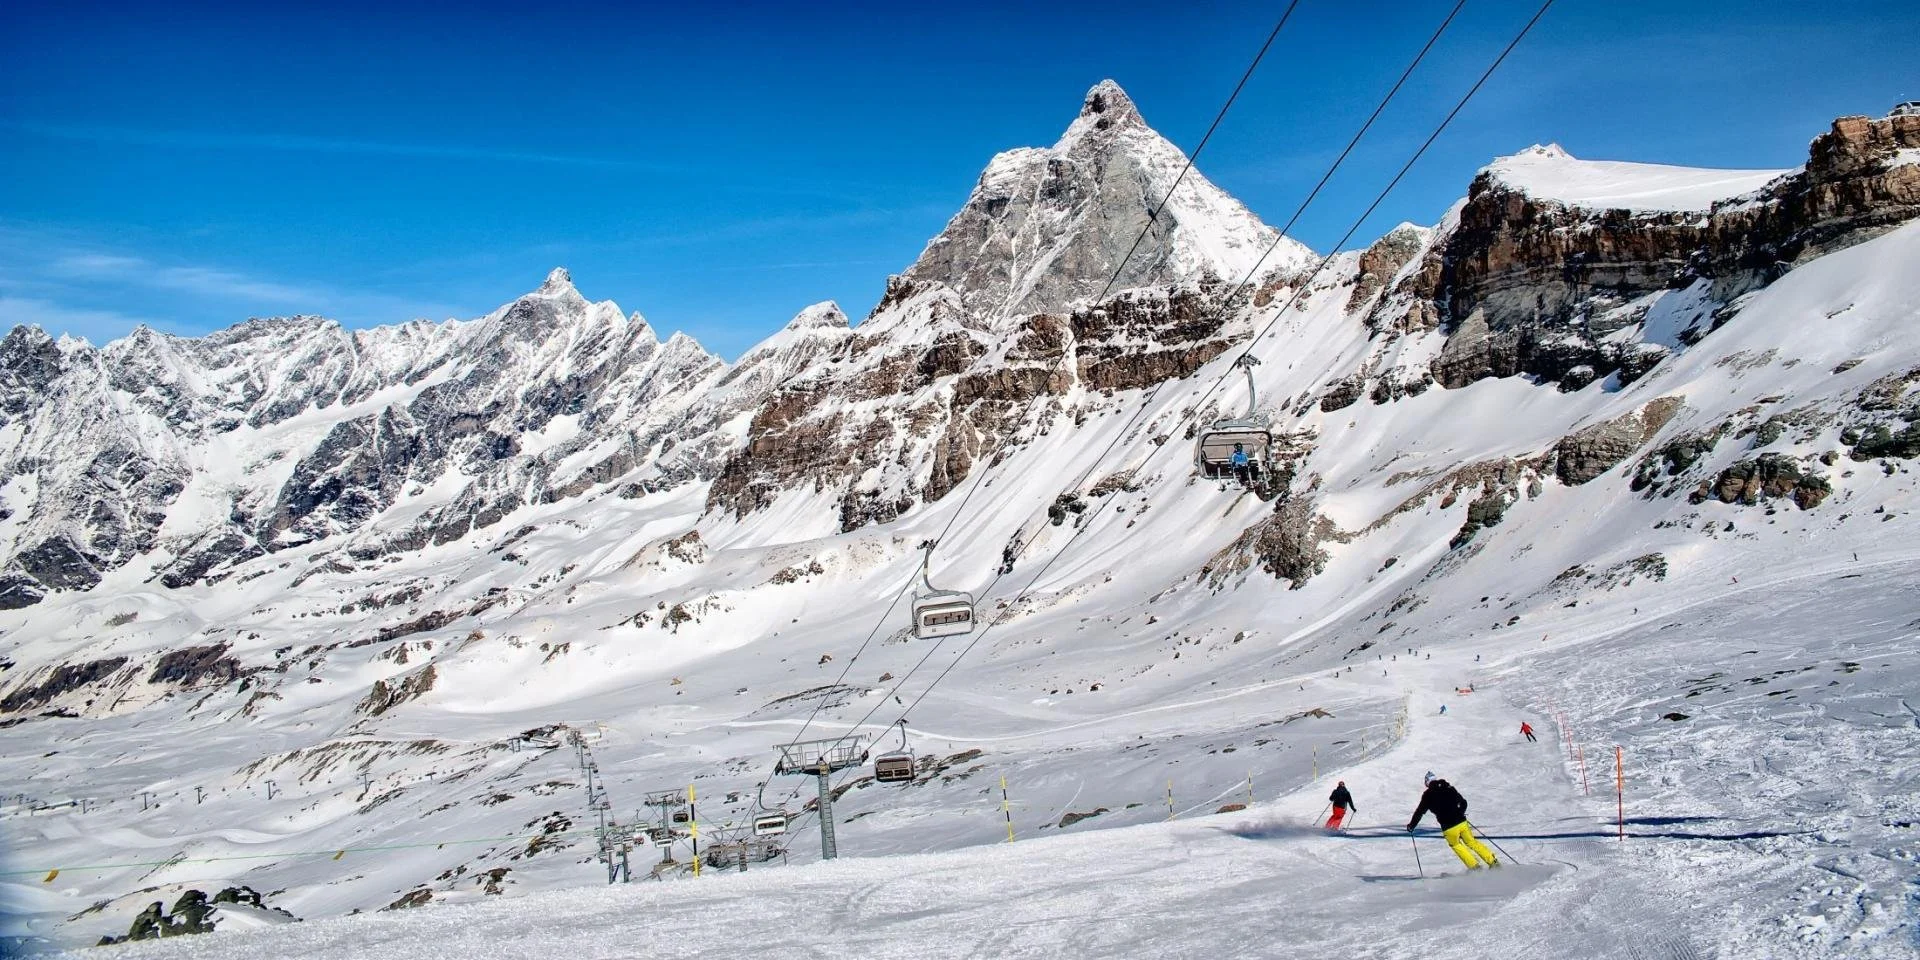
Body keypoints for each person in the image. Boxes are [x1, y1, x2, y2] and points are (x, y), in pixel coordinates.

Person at [1407, 773, 1498, 869]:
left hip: (1448, 827)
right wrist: (1460, 813)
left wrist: (1411, 826)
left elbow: (1419, 812)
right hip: (1462, 822)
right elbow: (1463, 802)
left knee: (1456, 845)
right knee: (1472, 842)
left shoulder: (1427, 795)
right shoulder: (1449, 787)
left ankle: (1474, 866)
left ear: (1427, 783)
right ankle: (1493, 861)